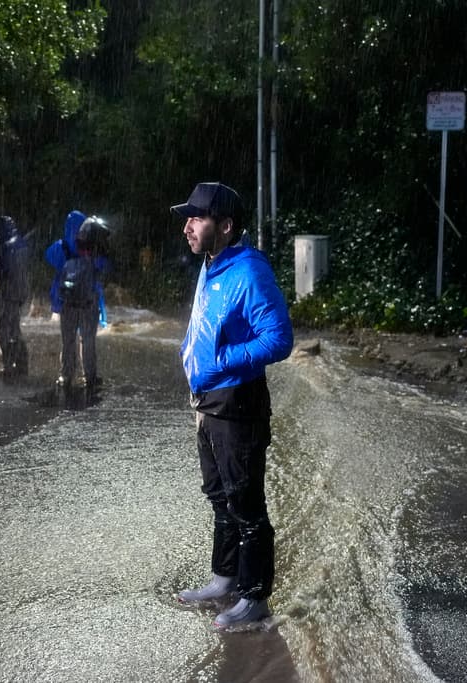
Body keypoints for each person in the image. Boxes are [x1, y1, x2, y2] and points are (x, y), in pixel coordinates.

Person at [171, 182, 293, 630]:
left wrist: (221, 361)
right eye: (187, 218)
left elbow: (279, 339)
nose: (187, 227)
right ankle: (224, 580)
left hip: (238, 405)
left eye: (196, 218)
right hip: (207, 403)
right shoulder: (211, 264)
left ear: (225, 225)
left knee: (246, 505)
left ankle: (255, 598)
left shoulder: (249, 271)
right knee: (219, 497)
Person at [45, 210, 103, 400]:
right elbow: (102, 269)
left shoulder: (60, 247)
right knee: (88, 341)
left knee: (68, 340)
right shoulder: (93, 247)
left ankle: (66, 375)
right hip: (88, 303)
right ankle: (90, 376)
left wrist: (56, 303)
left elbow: (48, 258)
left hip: (68, 303)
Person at [0, 215, 30, 378]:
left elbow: (4, 272)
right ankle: (20, 365)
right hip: (18, 292)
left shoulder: (6, 247)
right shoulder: (18, 244)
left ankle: (10, 365)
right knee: (14, 329)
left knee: (4, 329)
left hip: (7, 293)